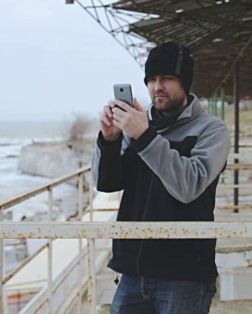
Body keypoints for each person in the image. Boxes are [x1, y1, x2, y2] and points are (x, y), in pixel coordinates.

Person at [91, 42, 230, 314]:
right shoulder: (138, 125)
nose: (157, 86)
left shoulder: (211, 129)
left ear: (185, 82)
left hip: (184, 274)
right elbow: (107, 183)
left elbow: (189, 186)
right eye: (152, 80)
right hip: (132, 270)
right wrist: (109, 139)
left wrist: (145, 136)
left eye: (167, 78)